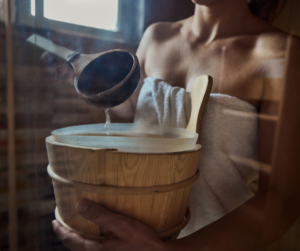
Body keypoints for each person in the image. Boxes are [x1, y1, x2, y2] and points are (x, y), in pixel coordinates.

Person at [51, 0, 300, 250]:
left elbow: (283, 199)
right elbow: (138, 109)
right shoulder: (156, 36)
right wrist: (91, 81)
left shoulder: (283, 53)